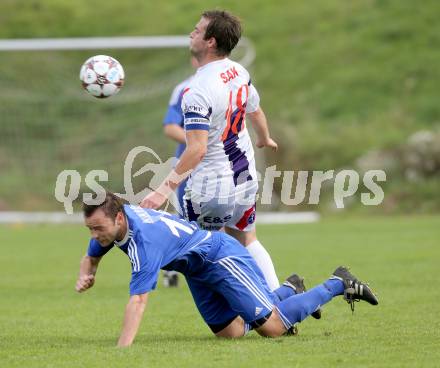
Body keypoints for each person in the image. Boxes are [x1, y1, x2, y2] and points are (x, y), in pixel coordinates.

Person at [76, 192, 378, 347]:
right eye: (90, 228)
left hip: (220, 258)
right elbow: (93, 254)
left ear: (118, 219)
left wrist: (122, 349)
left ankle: (338, 283)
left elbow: (138, 301)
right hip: (197, 270)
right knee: (230, 334)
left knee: (272, 329)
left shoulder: (144, 241)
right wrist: (86, 273)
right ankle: (289, 290)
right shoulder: (117, 220)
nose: (94, 235)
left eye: (97, 228)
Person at [140, 10, 280, 292]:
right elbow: (256, 110)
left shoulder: (196, 90)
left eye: (197, 30)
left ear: (211, 42)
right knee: (247, 238)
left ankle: (249, 314)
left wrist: (162, 191)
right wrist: (265, 137)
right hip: (245, 177)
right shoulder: (239, 71)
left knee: (207, 252)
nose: (191, 34)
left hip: (211, 187)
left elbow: (197, 150)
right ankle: (278, 298)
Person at [160, 57, 198, 287]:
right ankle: (170, 265)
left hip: (226, 165)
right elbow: (171, 126)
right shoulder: (184, 89)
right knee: (187, 220)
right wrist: (200, 141)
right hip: (192, 164)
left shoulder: (232, 83)